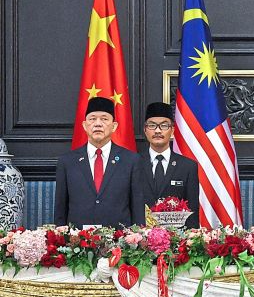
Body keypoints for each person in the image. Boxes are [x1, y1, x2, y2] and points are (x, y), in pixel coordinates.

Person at [54, 96, 143, 227]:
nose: (98, 123)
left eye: (104, 119)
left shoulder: (131, 160)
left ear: (114, 126)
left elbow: (137, 207)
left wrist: (137, 239)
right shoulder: (67, 161)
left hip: (120, 242)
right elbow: (60, 209)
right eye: (92, 119)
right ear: (84, 125)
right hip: (77, 241)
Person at [138, 101, 200, 228]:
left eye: (164, 126)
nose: (157, 130)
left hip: (176, 239)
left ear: (172, 130)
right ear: (145, 130)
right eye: (152, 125)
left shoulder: (188, 166)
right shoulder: (133, 163)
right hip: (140, 238)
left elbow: (192, 211)